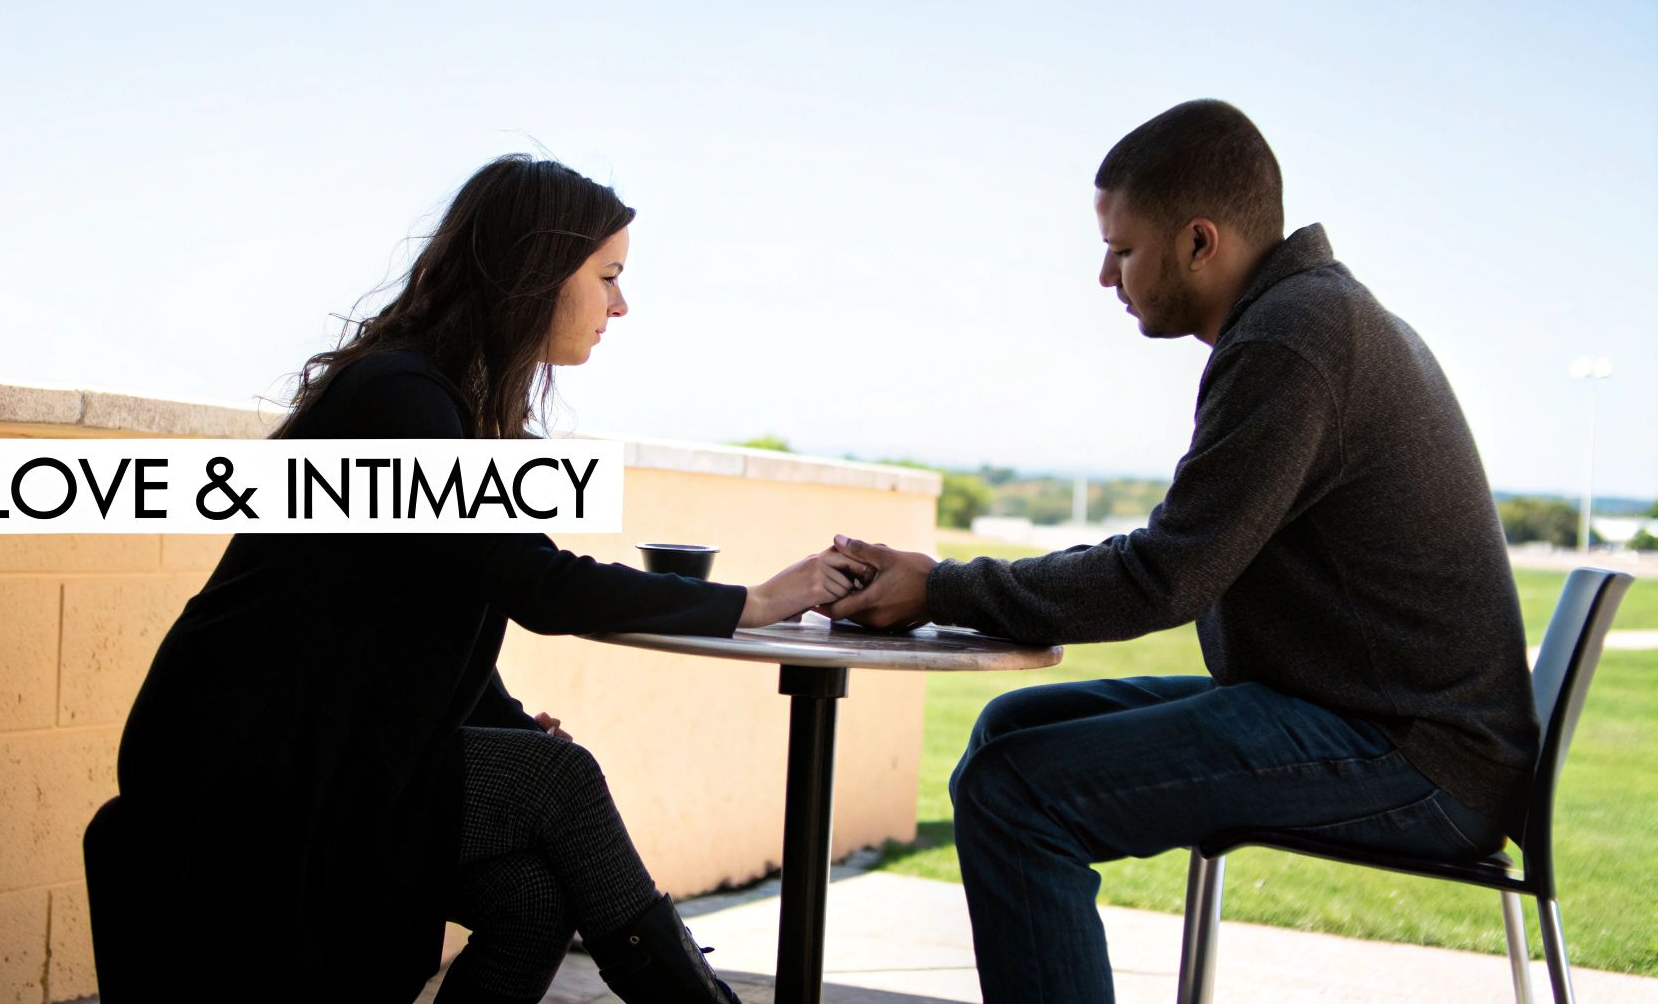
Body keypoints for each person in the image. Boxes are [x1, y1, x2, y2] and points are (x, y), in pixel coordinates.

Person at [94, 155, 869, 1004]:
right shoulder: (399, 398)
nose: (621, 305)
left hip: (333, 745)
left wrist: (502, 721)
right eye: (608, 276)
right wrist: (754, 601)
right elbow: (530, 582)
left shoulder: (436, 400)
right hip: (254, 761)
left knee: (532, 900)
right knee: (560, 784)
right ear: (536, 274)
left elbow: (420, 610)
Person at [819, 100, 1539, 1001]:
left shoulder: (1294, 337)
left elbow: (1164, 577)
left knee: (1017, 790)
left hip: (1414, 756)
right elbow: (1178, 553)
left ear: (1200, 242)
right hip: (1374, 715)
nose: (1103, 276)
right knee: (1012, 732)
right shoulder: (1306, 316)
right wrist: (946, 588)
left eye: (1122, 251)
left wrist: (941, 590)